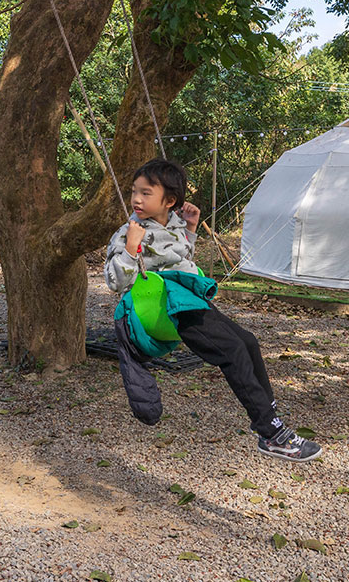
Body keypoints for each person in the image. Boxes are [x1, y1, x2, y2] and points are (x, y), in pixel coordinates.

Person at [105, 158, 322, 463]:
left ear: (170, 201)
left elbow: (180, 261)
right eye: (134, 192)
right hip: (165, 307)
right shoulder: (131, 231)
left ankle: (270, 418)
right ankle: (272, 435)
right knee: (232, 350)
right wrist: (130, 247)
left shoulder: (176, 223)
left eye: (145, 193)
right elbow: (115, 282)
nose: (137, 200)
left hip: (188, 299)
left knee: (248, 342)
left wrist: (190, 231)